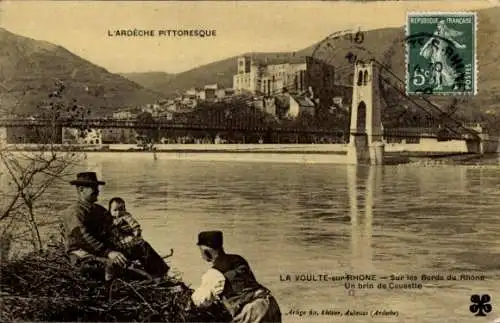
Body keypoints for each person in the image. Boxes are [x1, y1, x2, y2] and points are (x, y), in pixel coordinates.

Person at [191, 231, 281, 323]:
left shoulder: (213, 274)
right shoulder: (238, 259)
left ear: (206, 251)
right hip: (269, 303)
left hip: (252, 311)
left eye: (201, 251)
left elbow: (201, 301)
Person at [60, 172, 128, 281]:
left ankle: (160, 277)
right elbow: (84, 238)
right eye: (93, 187)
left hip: (102, 251)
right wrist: (108, 252)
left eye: (97, 187)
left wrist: (123, 233)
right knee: (111, 266)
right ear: (81, 189)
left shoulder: (100, 210)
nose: (97, 190)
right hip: (83, 256)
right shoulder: (73, 212)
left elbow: (111, 228)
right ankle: (111, 291)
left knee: (141, 246)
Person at [107, 197, 170, 279]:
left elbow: (135, 225)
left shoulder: (126, 217)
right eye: (115, 210)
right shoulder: (108, 220)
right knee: (143, 246)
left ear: (124, 209)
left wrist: (135, 232)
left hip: (127, 241)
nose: (118, 213)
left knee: (143, 246)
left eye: (121, 209)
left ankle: (159, 270)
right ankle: (158, 272)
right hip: (118, 247)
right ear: (110, 210)